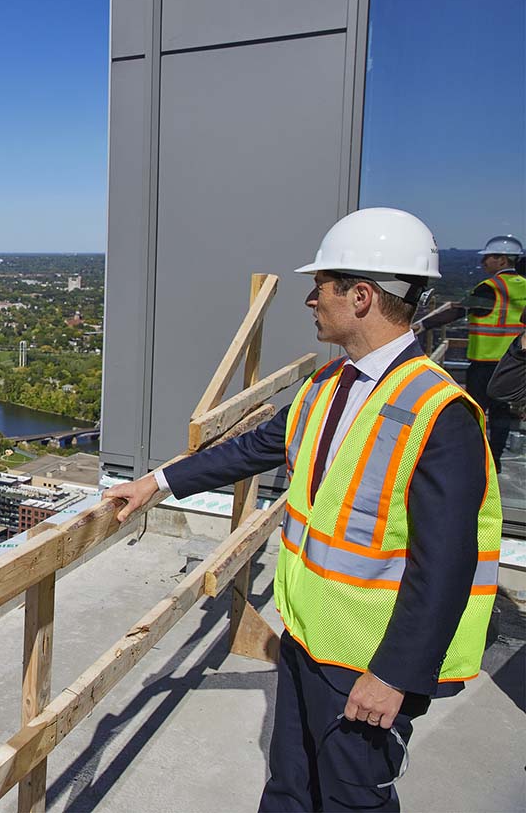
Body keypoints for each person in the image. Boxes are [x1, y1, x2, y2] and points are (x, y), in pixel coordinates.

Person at [104, 207, 502, 813]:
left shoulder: (440, 413)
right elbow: (255, 448)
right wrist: (156, 482)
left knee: (350, 799)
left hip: (369, 662)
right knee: (289, 786)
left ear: (361, 295)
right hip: (306, 640)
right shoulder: (330, 384)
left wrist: (395, 674)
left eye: (321, 287)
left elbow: (445, 564)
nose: (310, 300)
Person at [416, 234, 526, 471]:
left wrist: (422, 325)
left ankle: (473, 458)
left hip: (485, 362)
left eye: (488, 257)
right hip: (514, 364)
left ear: (503, 260)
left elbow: (458, 311)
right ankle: (494, 460)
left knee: (474, 412)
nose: (483, 262)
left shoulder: (490, 288)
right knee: (502, 414)